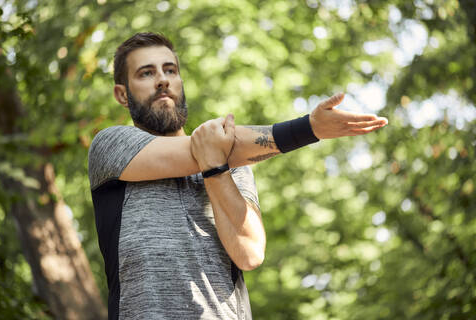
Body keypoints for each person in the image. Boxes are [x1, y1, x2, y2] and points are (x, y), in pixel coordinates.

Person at [88, 32, 388, 320]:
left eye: (170, 70)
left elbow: (250, 254)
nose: (163, 79)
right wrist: (308, 129)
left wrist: (217, 168)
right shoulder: (110, 146)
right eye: (146, 73)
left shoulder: (234, 165)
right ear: (122, 94)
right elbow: (202, 147)